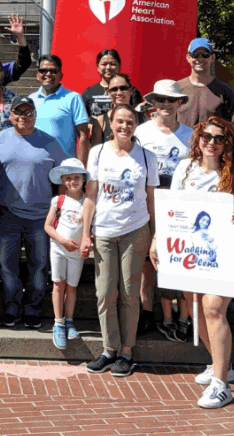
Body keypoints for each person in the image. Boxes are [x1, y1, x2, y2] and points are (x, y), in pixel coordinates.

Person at [153, 116, 234, 409]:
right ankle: (220, 365)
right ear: (198, 138)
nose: (212, 142)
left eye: (220, 138)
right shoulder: (185, 168)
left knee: (212, 307)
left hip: (228, 249)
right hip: (189, 249)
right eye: (207, 136)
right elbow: (171, 210)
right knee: (196, 307)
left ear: (229, 143)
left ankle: (221, 385)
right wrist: (156, 240)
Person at [81, 103, 158, 378]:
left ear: (136, 125)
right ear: (110, 124)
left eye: (130, 122)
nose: (125, 126)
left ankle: (126, 350)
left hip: (136, 229)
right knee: (104, 292)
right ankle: (108, 349)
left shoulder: (147, 157)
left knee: (128, 291)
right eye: (120, 121)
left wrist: (155, 235)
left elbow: (151, 199)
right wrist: (84, 234)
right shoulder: (97, 152)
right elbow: (91, 195)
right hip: (103, 230)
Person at [0, 94, 64, 330]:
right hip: (7, 214)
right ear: (11, 116)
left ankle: (32, 310)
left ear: (35, 115)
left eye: (28, 112)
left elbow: (63, 176)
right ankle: (11, 308)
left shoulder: (50, 142)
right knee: (7, 266)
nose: (23, 117)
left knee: (39, 266)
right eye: (18, 112)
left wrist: (59, 209)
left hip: (41, 216)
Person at [134, 79, 194, 341]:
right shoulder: (142, 133)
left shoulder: (191, 135)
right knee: (147, 262)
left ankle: (182, 317)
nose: (166, 104)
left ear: (180, 103)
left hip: (180, 205)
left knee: (179, 261)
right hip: (148, 203)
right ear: (153, 103)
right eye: (161, 99)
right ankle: (147, 312)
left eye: (171, 100)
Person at [44, 158, 89, 349]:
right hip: (58, 249)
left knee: (71, 287)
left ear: (83, 179)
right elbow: (47, 225)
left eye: (76, 177)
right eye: (68, 178)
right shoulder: (58, 200)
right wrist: (62, 241)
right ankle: (58, 322)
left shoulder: (88, 202)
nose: (73, 182)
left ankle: (69, 320)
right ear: (63, 181)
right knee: (58, 284)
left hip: (77, 252)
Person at [29, 54, 90, 163]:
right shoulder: (30, 99)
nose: (48, 74)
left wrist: (79, 169)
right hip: (36, 167)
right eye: (43, 70)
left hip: (64, 169)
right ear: (37, 75)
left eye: (53, 71)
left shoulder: (73, 98)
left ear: (60, 75)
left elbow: (83, 136)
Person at [176, 38, 234, 127]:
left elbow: (233, 128)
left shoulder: (226, 92)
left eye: (205, 54)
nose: (200, 59)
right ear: (188, 58)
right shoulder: (176, 89)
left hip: (213, 141)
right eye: (195, 54)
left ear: (212, 58)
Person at [81, 49, 143, 117]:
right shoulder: (89, 92)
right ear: (98, 67)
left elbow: (137, 116)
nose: (108, 67)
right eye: (104, 64)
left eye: (113, 64)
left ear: (119, 66)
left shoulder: (131, 91)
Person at [88, 73, 142, 146]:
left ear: (131, 90)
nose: (119, 93)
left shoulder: (143, 117)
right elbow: (96, 152)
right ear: (108, 93)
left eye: (123, 88)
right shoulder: (100, 121)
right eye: (114, 89)